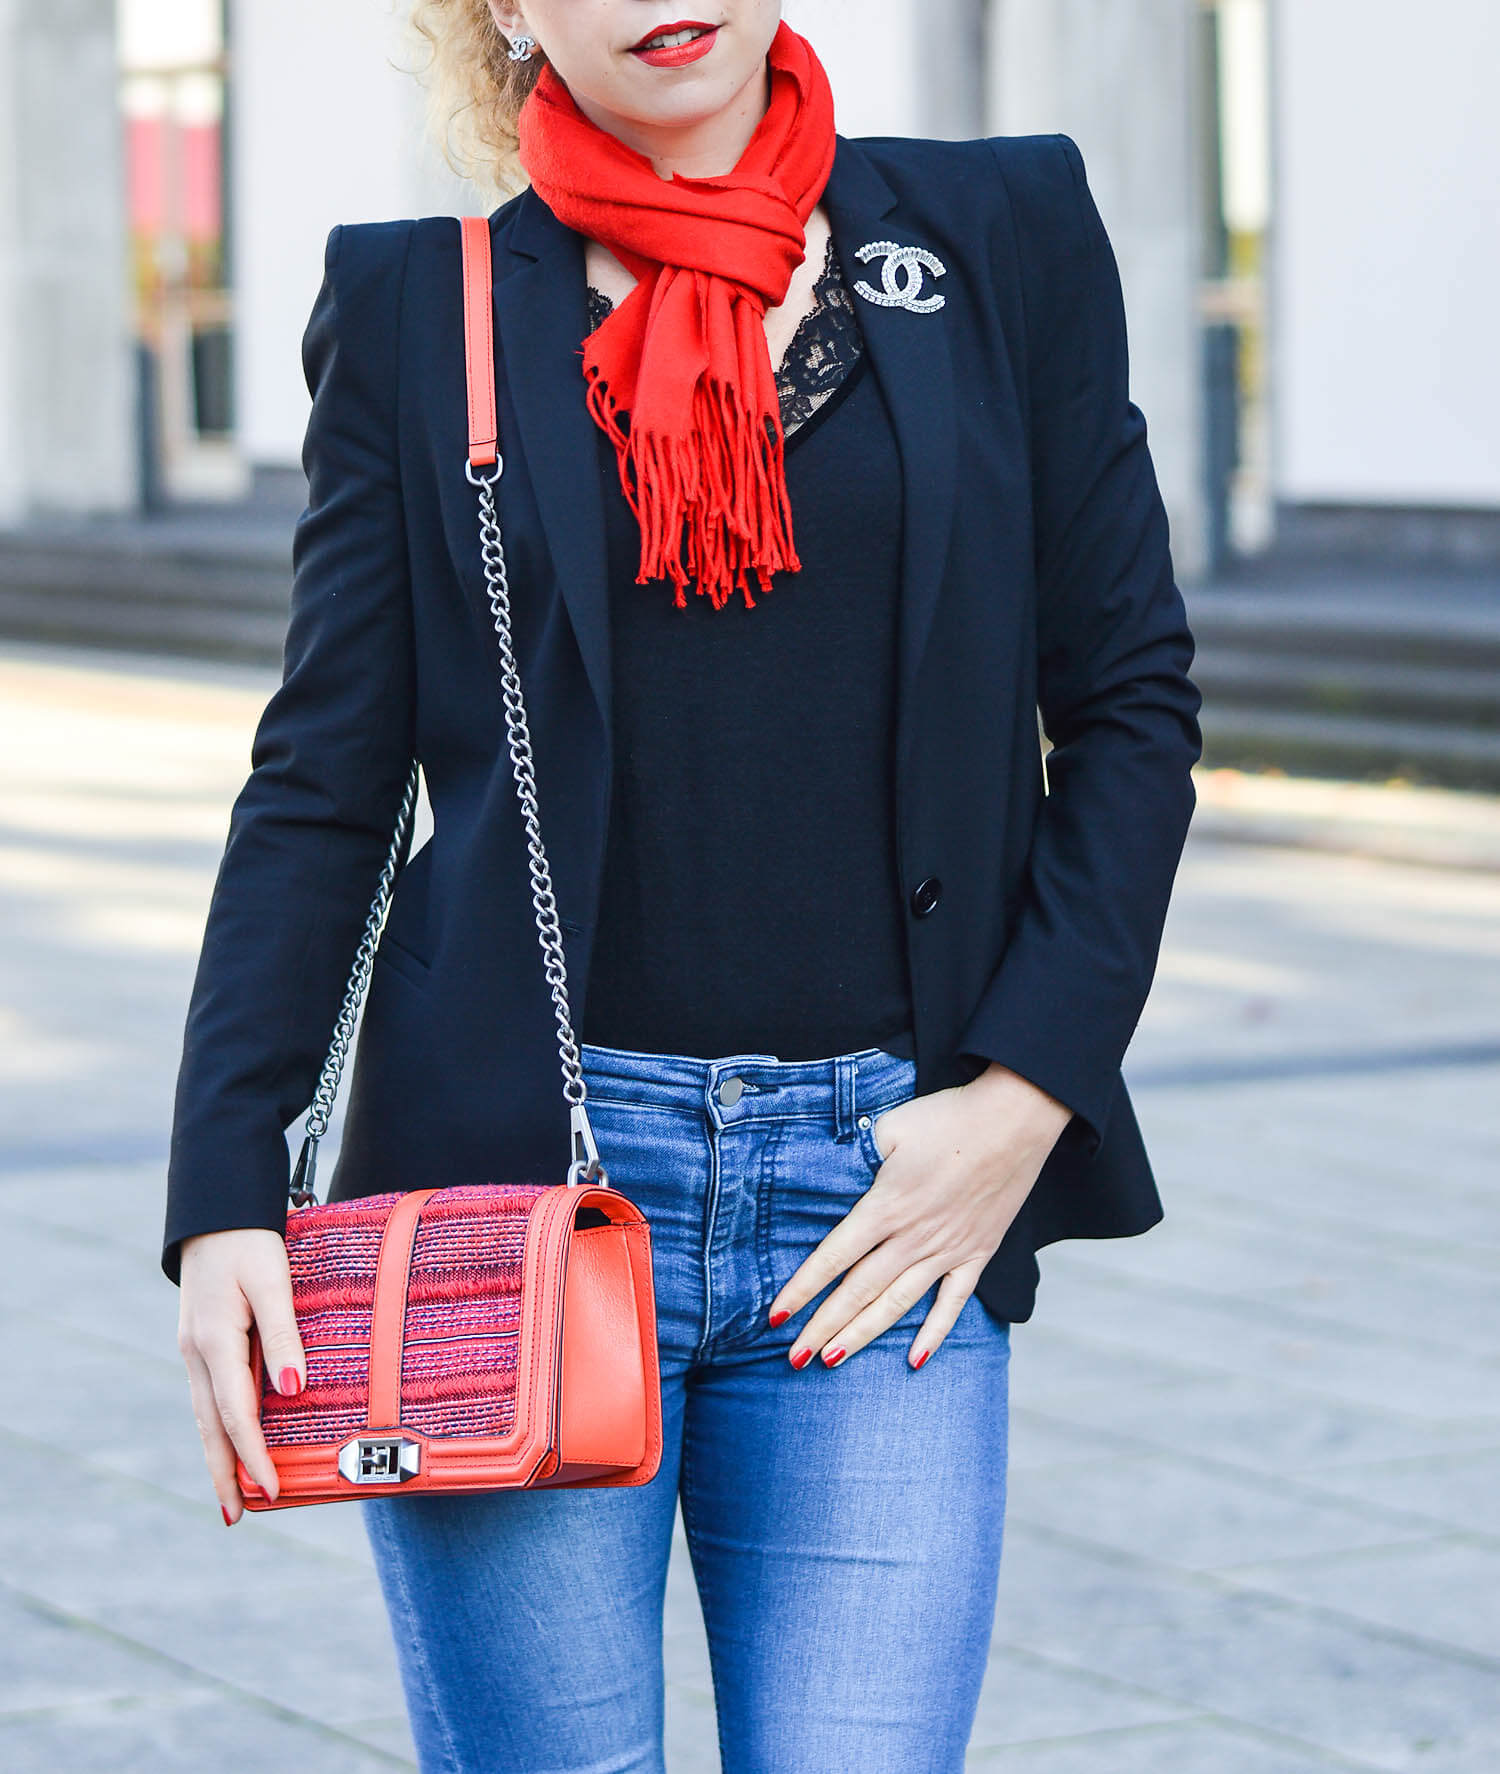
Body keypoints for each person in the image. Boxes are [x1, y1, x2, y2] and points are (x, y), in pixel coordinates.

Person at [165, 3, 1203, 1769]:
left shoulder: (999, 235)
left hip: (882, 1212)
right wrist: (223, 1189)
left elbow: (1125, 706)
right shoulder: (433, 312)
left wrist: (1024, 1097)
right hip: (526, 1207)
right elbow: (324, 784)